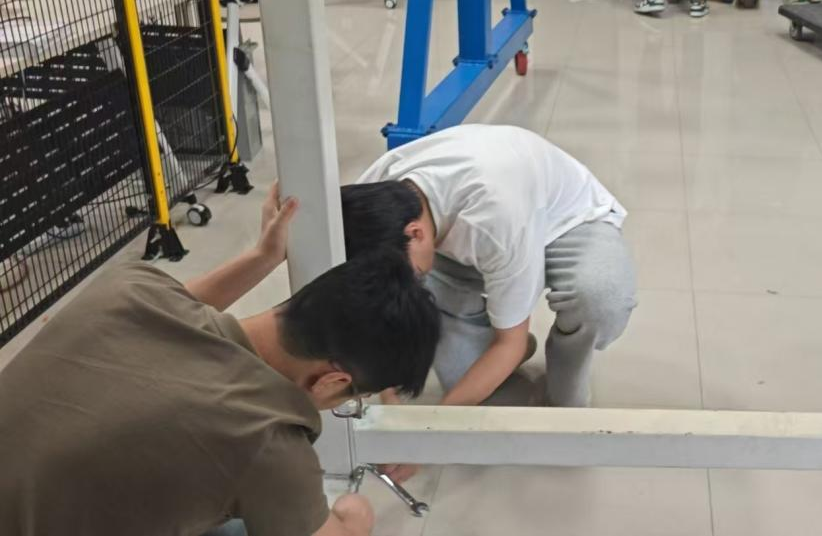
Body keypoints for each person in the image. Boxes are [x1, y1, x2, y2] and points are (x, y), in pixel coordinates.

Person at [0, 185, 442, 536]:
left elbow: (180, 300)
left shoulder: (127, 287)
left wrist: (263, 256)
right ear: (332, 381)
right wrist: (355, 516)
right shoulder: (266, 442)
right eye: (351, 398)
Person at [343, 124, 636, 417]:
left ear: (415, 233)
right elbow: (377, 304)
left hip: (564, 220)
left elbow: (509, 343)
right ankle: (497, 347)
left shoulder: (492, 220)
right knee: (474, 390)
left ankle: (564, 391)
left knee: (600, 298)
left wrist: (434, 427)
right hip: (484, 231)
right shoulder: (370, 196)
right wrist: (388, 393)